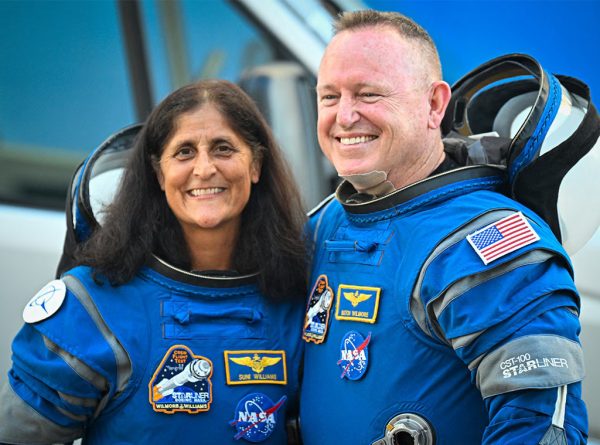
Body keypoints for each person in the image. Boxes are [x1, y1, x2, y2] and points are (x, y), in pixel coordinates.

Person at [300, 10, 588, 445]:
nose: (344, 116)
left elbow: (540, 427)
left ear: (435, 104)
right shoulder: (327, 220)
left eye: (368, 94)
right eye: (328, 97)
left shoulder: (488, 242)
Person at [0, 80, 307, 444]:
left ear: (255, 165)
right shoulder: (92, 308)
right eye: (184, 152)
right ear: (159, 173)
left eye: (223, 149)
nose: (205, 168)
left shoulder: (296, 299)